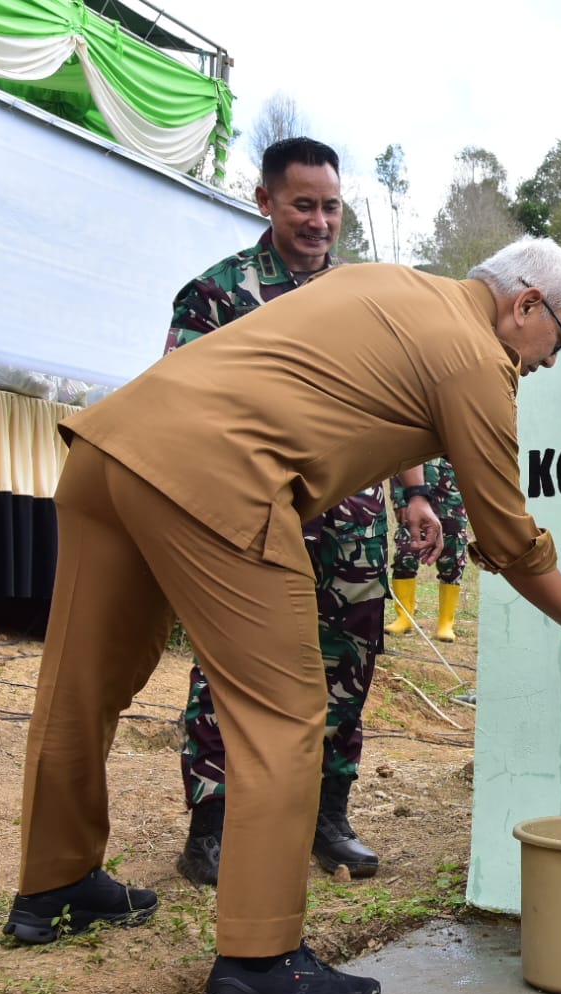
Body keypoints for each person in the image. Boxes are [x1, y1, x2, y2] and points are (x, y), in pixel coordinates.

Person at [2, 234, 561, 994]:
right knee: (285, 715)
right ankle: (259, 967)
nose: (551, 361)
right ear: (525, 305)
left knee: (79, 683)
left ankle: (54, 887)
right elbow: (508, 538)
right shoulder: (476, 357)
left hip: (110, 448)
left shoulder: (389, 285)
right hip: (217, 477)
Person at [163, 137, 428, 886]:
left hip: (348, 524)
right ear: (266, 201)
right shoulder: (217, 294)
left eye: (331, 206)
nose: (318, 221)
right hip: (252, 518)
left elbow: (402, 402)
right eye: (302, 204)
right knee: (229, 673)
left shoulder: (367, 298)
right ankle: (211, 829)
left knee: (346, 666)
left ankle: (327, 818)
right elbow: (178, 411)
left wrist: (412, 491)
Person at [385, 458, 469, 642]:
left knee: (453, 561)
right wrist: (399, 501)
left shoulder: (457, 437)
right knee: (404, 557)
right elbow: (400, 463)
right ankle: (404, 617)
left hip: (451, 505)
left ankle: (446, 623)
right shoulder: (414, 437)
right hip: (414, 505)